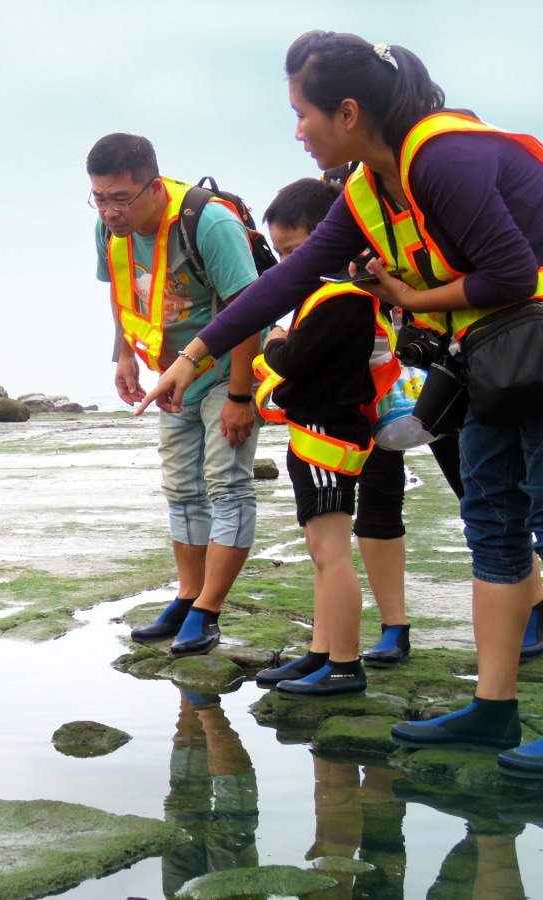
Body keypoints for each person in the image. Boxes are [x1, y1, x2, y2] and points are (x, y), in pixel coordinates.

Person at [140, 31, 543, 773]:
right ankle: (493, 710)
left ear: (349, 112)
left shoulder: (442, 158)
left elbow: (514, 274)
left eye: (303, 114)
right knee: (494, 525)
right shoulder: (364, 191)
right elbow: (279, 287)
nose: (297, 131)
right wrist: (191, 356)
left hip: (530, 344)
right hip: (491, 362)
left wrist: (414, 297)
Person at [86, 133, 262, 657]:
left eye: (120, 198)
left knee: (227, 487)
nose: (109, 210)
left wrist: (239, 395)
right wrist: (122, 355)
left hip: (225, 369)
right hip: (169, 377)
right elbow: (122, 295)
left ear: (155, 187)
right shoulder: (108, 230)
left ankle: (208, 609)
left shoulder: (208, 222)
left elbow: (251, 306)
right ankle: (188, 595)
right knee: (182, 490)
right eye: (98, 197)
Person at [247, 178, 399, 698]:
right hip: (319, 431)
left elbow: (293, 359)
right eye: (281, 252)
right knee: (320, 547)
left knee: (331, 550)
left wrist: (273, 341)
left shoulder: (342, 297)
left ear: (328, 237)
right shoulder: (325, 292)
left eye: (295, 250)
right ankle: (322, 651)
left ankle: (344, 665)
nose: (287, 263)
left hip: (328, 434)